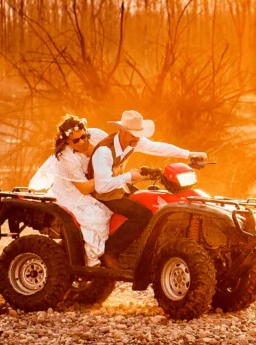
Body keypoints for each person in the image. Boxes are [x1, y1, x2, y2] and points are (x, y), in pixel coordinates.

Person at [87, 110, 207, 268]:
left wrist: (189, 154)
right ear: (122, 131)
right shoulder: (104, 151)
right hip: (101, 192)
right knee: (143, 215)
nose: (136, 138)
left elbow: (157, 147)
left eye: (139, 134)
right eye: (132, 134)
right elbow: (102, 187)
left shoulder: (132, 142)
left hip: (116, 185)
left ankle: (137, 249)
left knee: (144, 198)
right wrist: (129, 176)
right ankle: (110, 252)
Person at [28, 116, 113, 267]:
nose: (82, 142)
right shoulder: (66, 158)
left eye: (83, 136)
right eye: (76, 140)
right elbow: (84, 189)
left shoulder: (97, 136)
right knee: (96, 217)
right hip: (74, 192)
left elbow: (116, 155)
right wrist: (107, 175)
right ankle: (90, 259)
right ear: (67, 141)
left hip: (95, 182)